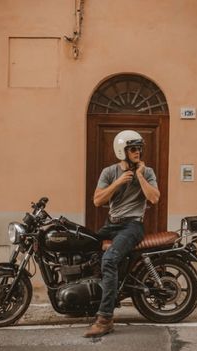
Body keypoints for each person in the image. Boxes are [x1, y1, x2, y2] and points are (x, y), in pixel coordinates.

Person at [84, 130, 160, 338]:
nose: (138, 152)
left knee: (109, 260)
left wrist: (140, 176)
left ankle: (105, 318)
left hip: (132, 226)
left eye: (139, 148)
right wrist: (118, 182)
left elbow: (154, 199)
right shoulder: (109, 172)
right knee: (82, 247)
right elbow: (97, 201)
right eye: (133, 148)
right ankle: (88, 299)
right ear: (122, 151)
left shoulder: (148, 172)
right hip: (111, 224)